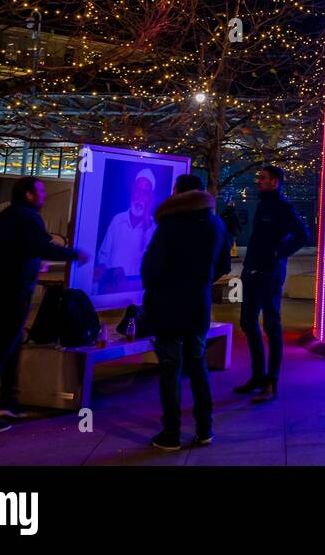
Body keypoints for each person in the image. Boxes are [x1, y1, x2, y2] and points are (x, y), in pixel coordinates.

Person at [0, 177, 89, 437]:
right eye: (41, 191)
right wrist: (76, 254)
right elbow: (43, 247)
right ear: (30, 195)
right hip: (12, 294)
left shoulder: (3, 218)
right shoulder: (28, 218)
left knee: (9, 347)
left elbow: (0, 252)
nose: (43, 195)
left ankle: (9, 402)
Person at [141, 174, 231, 450]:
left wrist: (155, 287)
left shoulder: (170, 224)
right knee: (197, 364)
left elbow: (152, 266)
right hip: (198, 304)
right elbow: (224, 265)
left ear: (179, 193)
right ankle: (205, 429)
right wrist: (201, 281)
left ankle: (171, 433)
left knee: (170, 369)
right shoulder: (216, 224)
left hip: (168, 304)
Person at [235, 165, 309, 402]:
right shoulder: (263, 204)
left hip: (269, 273)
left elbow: (302, 234)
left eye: (263, 178)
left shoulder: (281, 206)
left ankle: (271, 380)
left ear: (275, 182)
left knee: (271, 325)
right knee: (247, 321)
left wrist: (279, 252)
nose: (258, 181)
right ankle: (258, 375)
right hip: (253, 271)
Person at [95, 168, 157, 289]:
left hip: (137, 293)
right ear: (133, 191)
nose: (139, 197)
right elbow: (103, 255)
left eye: (145, 193)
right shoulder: (117, 220)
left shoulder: (153, 228)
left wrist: (146, 224)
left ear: (150, 198)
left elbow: (152, 264)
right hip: (111, 289)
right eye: (138, 190)